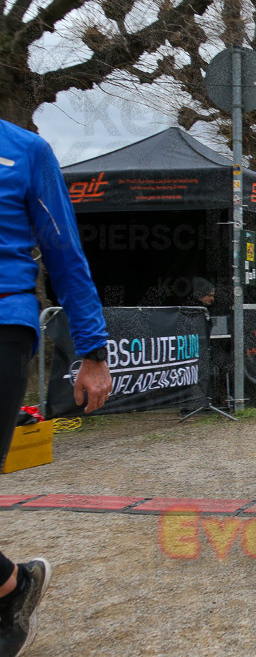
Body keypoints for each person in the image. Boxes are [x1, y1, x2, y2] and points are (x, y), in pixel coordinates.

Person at [0, 118, 113, 654]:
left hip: (4, 324)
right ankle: (10, 583)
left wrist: (93, 353)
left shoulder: (25, 151)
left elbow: (65, 252)